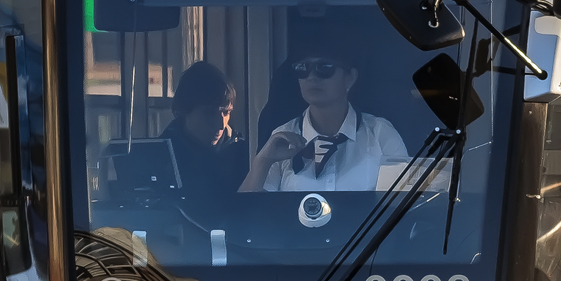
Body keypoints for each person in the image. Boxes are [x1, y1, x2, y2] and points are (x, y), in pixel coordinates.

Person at [240, 46, 409, 193]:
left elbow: (404, 207)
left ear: (350, 77)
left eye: (324, 68)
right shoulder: (282, 137)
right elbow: (246, 216)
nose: (312, 77)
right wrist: (263, 161)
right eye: (302, 68)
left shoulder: (381, 133)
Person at [161, 61, 248, 196]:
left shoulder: (241, 151)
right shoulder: (164, 157)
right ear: (184, 112)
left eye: (226, 112)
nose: (221, 125)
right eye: (209, 113)